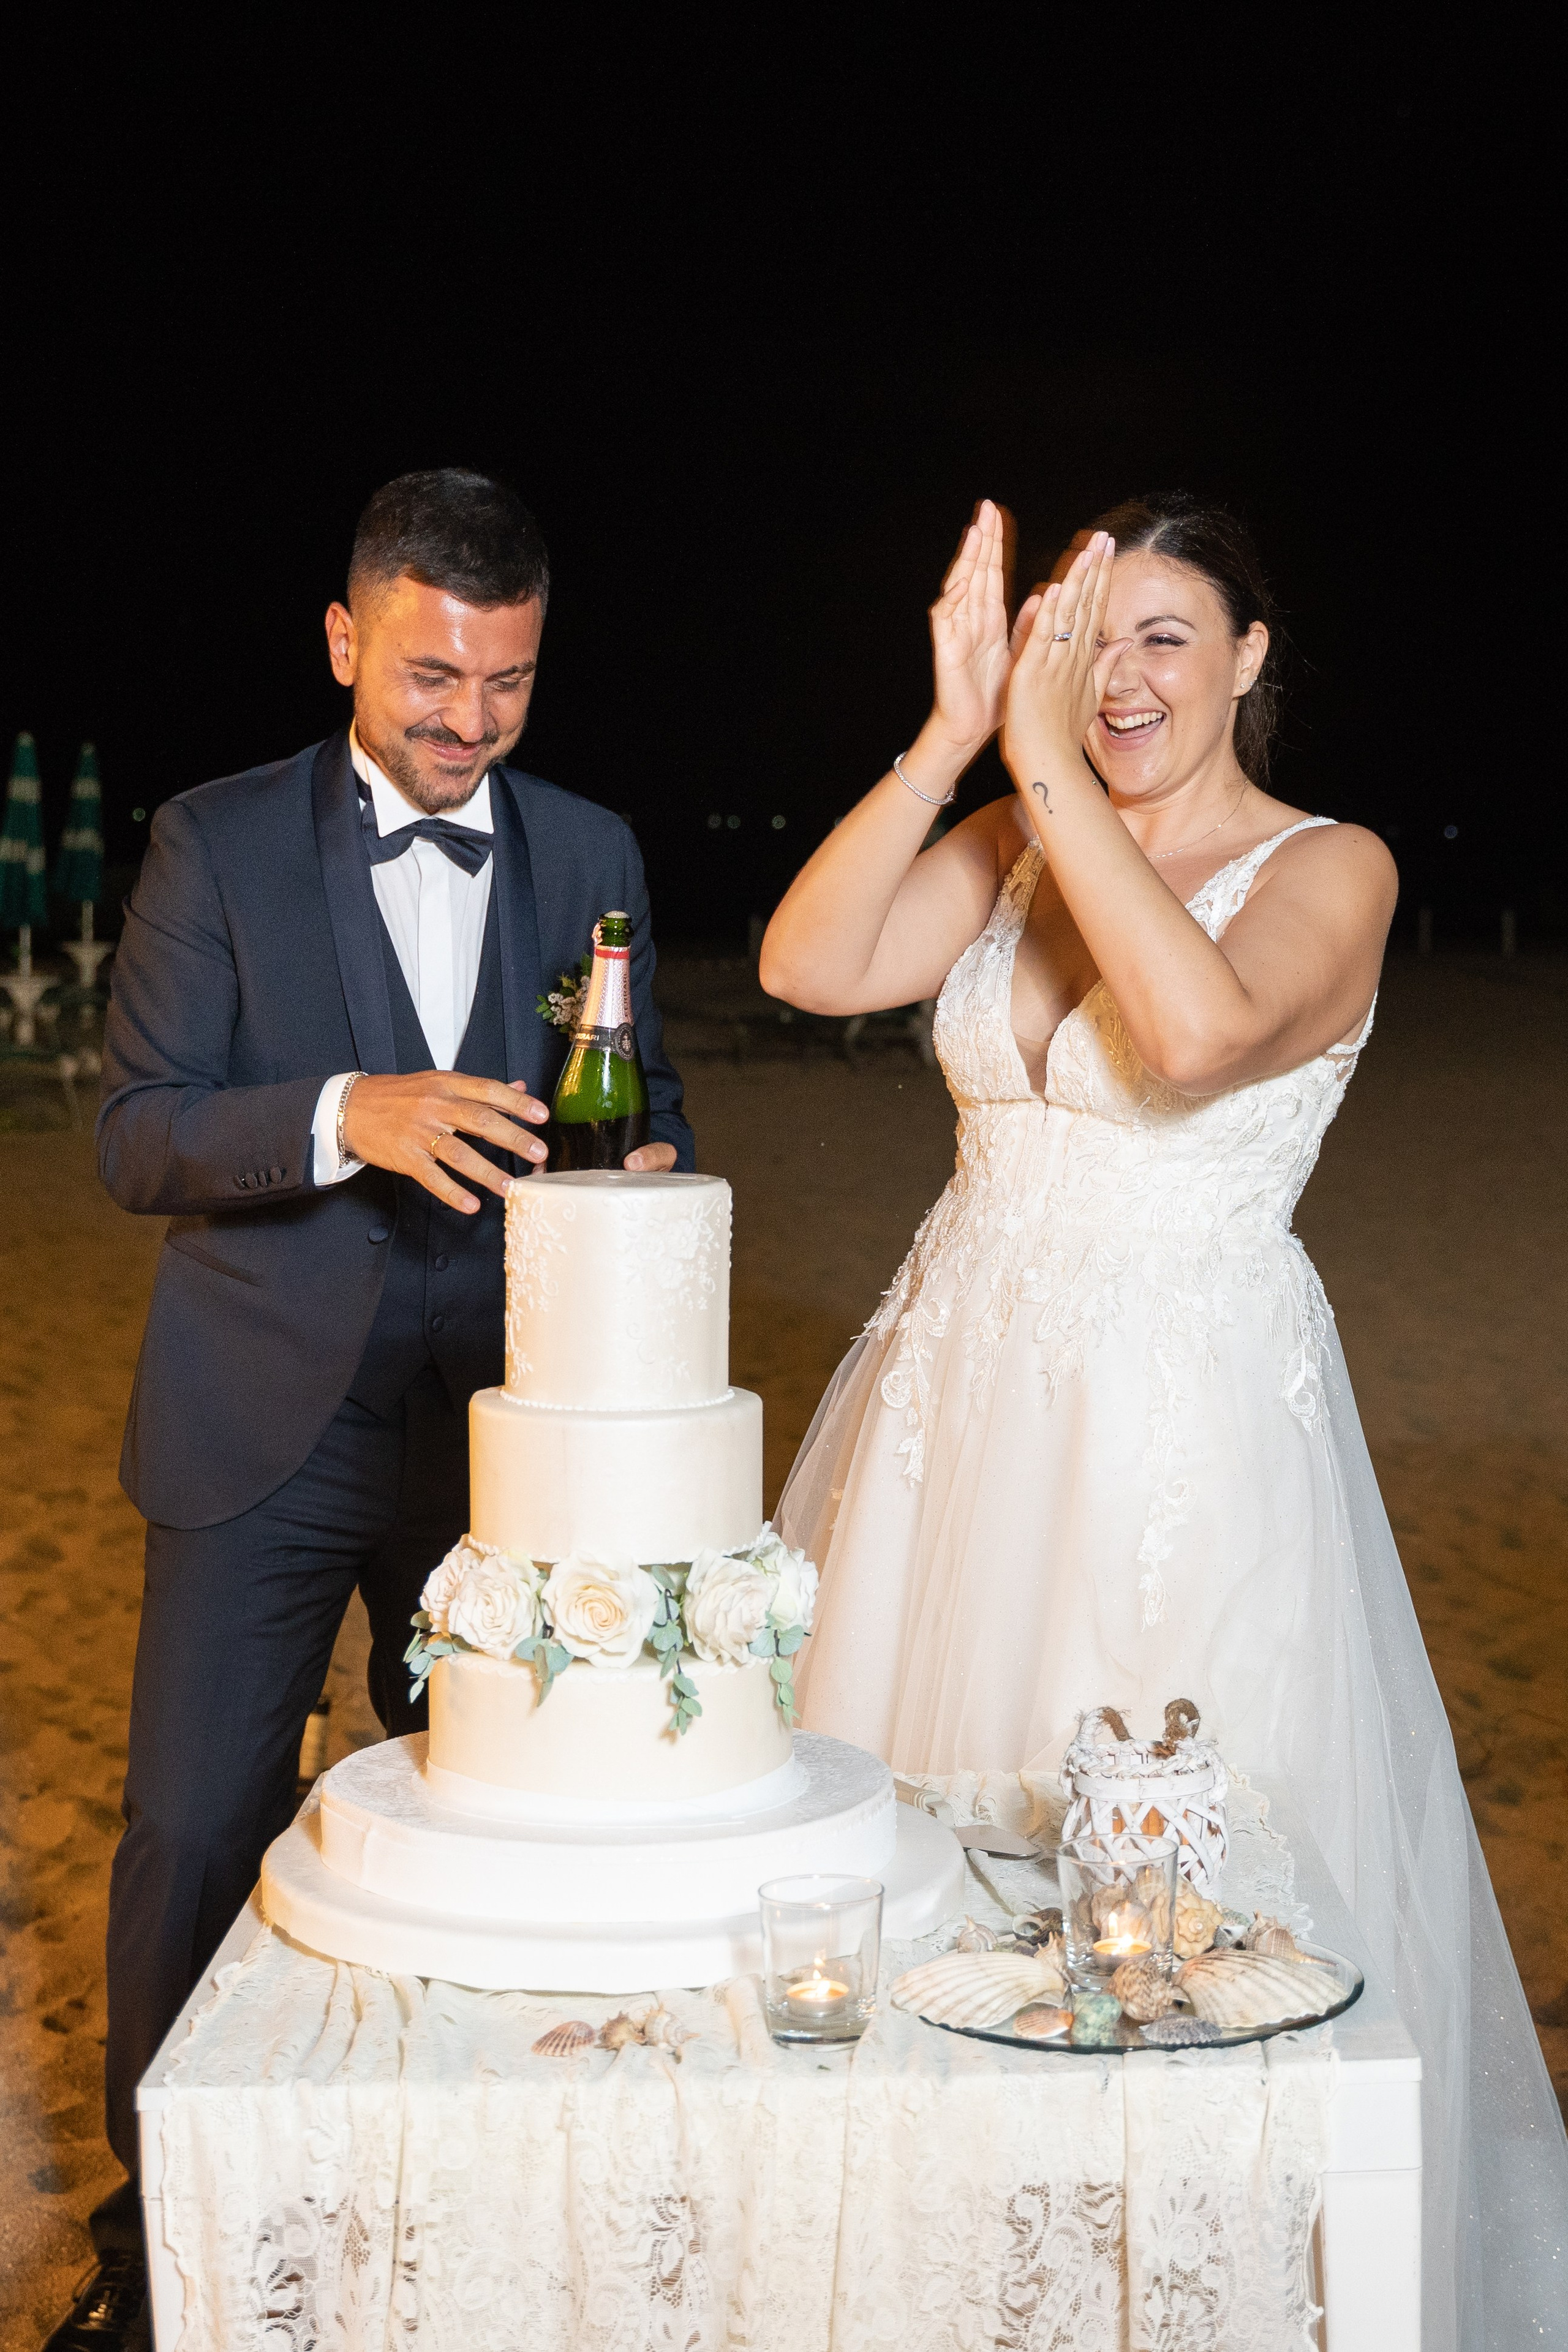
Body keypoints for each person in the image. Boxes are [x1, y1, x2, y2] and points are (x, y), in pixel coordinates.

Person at [762, 496, 1568, 2348]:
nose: (1118, 679)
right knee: (928, 1891)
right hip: (952, 1429)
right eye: (1087, 639)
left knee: (1172, 1944)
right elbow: (813, 964)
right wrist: (955, 738)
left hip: (1174, 1451)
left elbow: (1196, 1038)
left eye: (1164, 637)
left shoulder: (1332, 868)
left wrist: (1044, 755)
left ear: (1250, 657)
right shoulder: (1012, 834)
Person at [51, 469, 692, 2351]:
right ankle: (160, 2232)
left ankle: (465, 2199)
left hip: (500, 1435)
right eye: (431, 675)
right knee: (195, 1828)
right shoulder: (212, 841)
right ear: (345, 640)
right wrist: (353, 1113)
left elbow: (643, 1098)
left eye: (507, 682)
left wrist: (650, 1163)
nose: (468, 719)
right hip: (261, 1424)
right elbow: (138, 1136)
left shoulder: (592, 849)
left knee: (498, 1828)